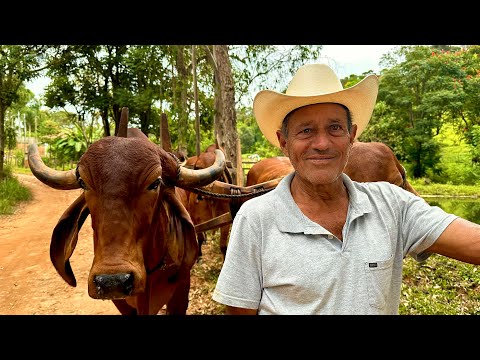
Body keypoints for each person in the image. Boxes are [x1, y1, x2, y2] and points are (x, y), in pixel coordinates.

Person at [211, 63, 480, 315]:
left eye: (335, 128)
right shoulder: (255, 218)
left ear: (352, 136)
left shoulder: (393, 205)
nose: (322, 143)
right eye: (305, 131)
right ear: (283, 141)